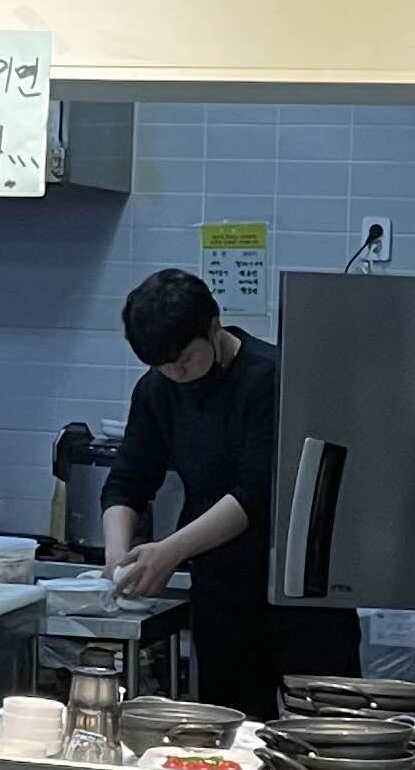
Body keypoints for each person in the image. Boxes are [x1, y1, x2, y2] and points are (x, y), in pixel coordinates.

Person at [100, 268, 360, 713]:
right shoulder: (157, 390)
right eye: (162, 366)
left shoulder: (271, 377)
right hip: (222, 596)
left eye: (185, 361)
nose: (175, 374)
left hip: (302, 594)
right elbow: (128, 480)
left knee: (328, 730)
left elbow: (254, 493)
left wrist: (169, 551)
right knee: (232, 731)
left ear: (214, 327)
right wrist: (115, 557)